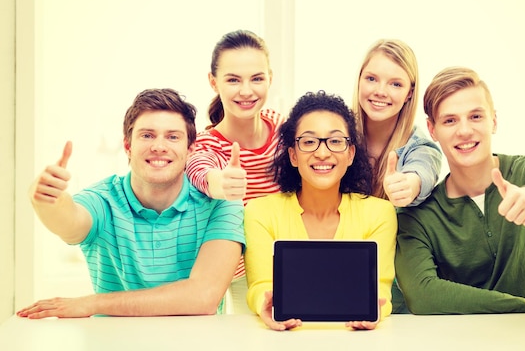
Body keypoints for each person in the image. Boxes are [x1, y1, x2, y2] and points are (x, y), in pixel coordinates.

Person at [18, 88, 245, 318]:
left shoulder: (221, 204)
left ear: (190, 149)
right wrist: (46, 200)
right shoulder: (103, 200)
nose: (159, 146)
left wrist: (94, 304)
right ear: (128, 146)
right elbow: (70, 221)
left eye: (173, 136)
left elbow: (203, 296)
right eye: (147, 135)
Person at [395, 66, 525, 314]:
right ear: (432, 131)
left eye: (475, 117)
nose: (464, 131)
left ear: (493, 121)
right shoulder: (418, 217)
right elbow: (422, 295)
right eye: (450, 120)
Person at [244, 91, 397, 331]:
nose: (322, 152)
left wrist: (377, 308)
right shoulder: (260, 212)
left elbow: (380, 288)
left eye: (335, 141)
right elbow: (261, 284)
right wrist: (267, 303)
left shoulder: (380, 213)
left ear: (350, 153)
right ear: (293, 155)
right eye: (308, 141)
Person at [186, 30, 284, 314]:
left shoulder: (280, 126)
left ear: (270, 79)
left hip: (294, 258)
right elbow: (200, 170)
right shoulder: (207, 144)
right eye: (233, 80)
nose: (246, 91)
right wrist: (221, 183)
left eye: (256, 78)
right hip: (245, 273)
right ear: (213, 82)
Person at [352, 39, 442, 313]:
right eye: (372, 78)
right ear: (359, 81)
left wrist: (409, 184)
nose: (381, 91)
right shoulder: (336, 136)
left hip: (391, 294)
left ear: (409, 93)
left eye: (395, 84)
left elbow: (423, 170)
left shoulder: (420, 148)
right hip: (334, 273)